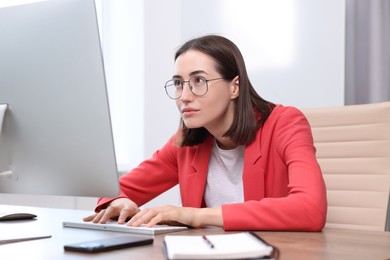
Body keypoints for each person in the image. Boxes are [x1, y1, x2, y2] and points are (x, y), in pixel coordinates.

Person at [84, 35, 327, 231]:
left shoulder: (285, 123)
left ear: (234, 86)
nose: (184, 96)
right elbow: (114, 188)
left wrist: (192, 215)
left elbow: (311, 209)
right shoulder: (186, 142)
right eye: (179, 83)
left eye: (199, 81)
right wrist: (120, 201)